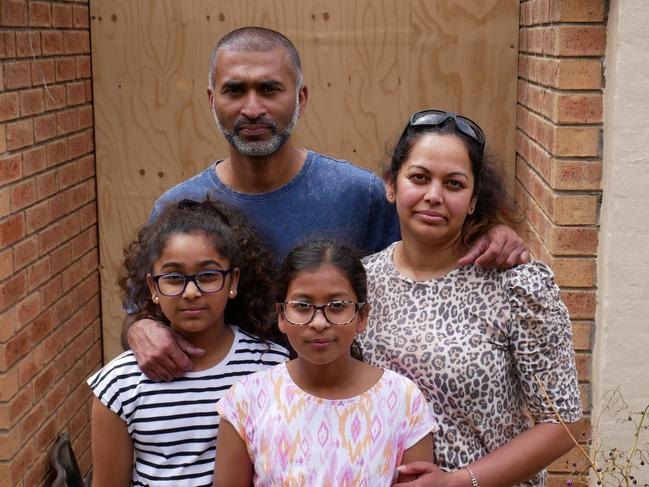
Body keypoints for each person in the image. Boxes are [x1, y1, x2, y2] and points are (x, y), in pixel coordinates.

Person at [126, 26, 529, 382]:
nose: (252, 108)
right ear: (212, 100)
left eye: (269, 89)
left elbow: (432, 250)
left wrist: (489, 230)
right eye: (235, 90)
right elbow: (141, 309)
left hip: (342, 428)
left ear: (300, 98)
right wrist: (138, 328)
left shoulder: (358, 193)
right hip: (219, 431)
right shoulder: (179, 207)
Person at [358, 109, 582, 487]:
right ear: (391, 185)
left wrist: (456, 482)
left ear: (474, 198)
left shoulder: (517, 285)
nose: (433, 196)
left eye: (454, 184)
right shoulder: (360, 282)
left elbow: (563, 424)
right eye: (419, 178)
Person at [87, 200, 289, 486]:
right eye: (173, 278)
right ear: (153, 287)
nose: (191, 292)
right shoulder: (120, 384)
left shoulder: (271, 366)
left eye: (207, 275)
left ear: (233, 282)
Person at [213, 240, 438, 486]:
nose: (319, 323)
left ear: (361, 316)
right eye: (302, 306)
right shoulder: (248, 400)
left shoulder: (403, 400)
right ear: (281, 316)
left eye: (337, 306)